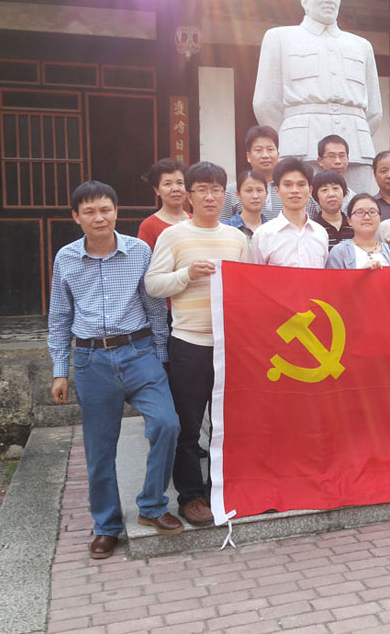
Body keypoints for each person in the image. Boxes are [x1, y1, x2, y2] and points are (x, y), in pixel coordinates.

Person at [48, 180, 182, 559]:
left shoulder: (139, 251)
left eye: (105, 209)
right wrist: (60, 370)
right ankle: (106, 525)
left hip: (140, 353)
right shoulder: (66, 258)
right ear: (76, 217)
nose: (99, 217)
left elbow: (154, 308)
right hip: (91, 361)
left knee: (167, 424)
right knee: (99, 448)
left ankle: (152, 505)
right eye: (89, 211)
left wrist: (161, 357)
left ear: (116, 212)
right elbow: (59, 317)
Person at [144, 162, 250, 527]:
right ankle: (190, 496)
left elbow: (250, 288)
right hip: (189, 344)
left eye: (217, 189)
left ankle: (221, 489)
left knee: (226, 424)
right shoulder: (173, 236)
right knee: (187, 425)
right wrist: (187, 274)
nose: (210, 196)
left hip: (229, 346)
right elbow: (153, 284)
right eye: (202, 189)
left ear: (225, 195)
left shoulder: (236, 238)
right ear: (189, 195)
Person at [252, 0, 382, 194]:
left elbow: (374, 111)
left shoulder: (361, 46)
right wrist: (290, 135)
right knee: (300, 209)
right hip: (300, 146)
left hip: (355, 147)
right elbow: (265, 102)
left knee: (358, 208)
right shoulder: (280, 38)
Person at [251, 157, 329, 267]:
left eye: (301, 185)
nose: (295, 190)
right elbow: (256, 275)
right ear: (277, 190)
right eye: (287, 185)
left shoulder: (320, 233)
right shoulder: (263, 235)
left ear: (310, 190)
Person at [326, 194, 390, 269]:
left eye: (372, 212)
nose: (367, 217)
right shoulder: (339, 252)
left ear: (380, 218)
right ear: (349, 220)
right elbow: (333, 280)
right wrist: (362, 273)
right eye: (360, 212)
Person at [137, 158, 188, 250]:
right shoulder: (148, 226)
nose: (175, 189)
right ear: (157, 190)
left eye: (180, 183)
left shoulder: (197, 220)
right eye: (168, 184)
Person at [311, 170, 354, 250]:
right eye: (324, 190)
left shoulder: (354, 225)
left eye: (335, 188)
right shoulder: (312, 229)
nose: (331, 194)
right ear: (316, 196)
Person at [225, 170, 268, 240]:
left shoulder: (274, 230)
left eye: (259, 190)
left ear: (266, 193)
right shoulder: (226, 229)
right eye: (249, 190)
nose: (255, 196)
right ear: (238, 195)